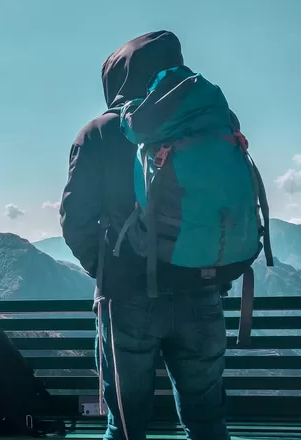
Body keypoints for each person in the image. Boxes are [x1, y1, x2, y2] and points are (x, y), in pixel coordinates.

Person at [60, 31, 242, 440]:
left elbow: (75, 222)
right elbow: (229, 209)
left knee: (124, 425)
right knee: (208, 423)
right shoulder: (213, 122)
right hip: (202, 292)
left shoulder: (99, 133)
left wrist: (108, 270)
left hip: (127, 300)